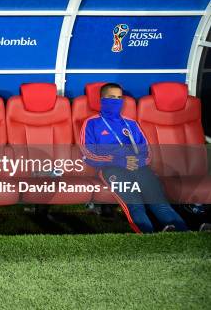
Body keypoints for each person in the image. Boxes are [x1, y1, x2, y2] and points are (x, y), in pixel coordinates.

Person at [80, 83, 207, 233]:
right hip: (111, 169)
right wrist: (119, 161)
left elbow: (147, 151)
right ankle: (148, 238)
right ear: (102, 100)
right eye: (111, 97)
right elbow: (87, 155)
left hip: (139, 167)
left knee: (160, 204)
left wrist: (138, 162)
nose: (116, 101)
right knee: (135, 205)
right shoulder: (91, 123)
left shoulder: (131, 124)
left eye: (119, 98)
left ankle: (183, 234)